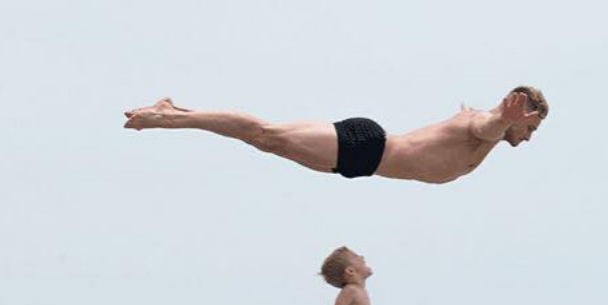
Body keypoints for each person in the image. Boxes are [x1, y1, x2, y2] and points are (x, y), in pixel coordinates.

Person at [123, 86, 548, 184]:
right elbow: (485, 125)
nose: (529, 137)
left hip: (363, 157)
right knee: (263, 134)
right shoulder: (485, 128)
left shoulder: (485, 129)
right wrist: (503, 120)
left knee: (263, 137)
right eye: (530, 127)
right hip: (366, 149)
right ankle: (168, 118)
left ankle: (176, 112)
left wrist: (503, 122)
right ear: (517, 113)